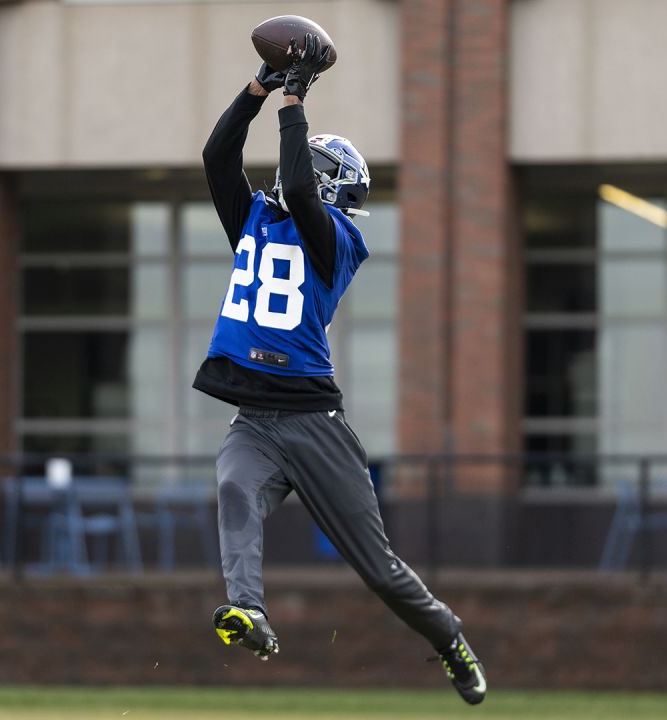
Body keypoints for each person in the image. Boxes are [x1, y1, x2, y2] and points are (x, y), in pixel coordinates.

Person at [194, 33, 488, 706]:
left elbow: (300, 188)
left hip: (311, 422)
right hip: (255, 417)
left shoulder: (338, 241)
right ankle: (251, 614)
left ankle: (448, 638)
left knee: (380, 571)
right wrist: (257, 89)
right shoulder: (257, 223)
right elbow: (217, 160)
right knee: (235, 492)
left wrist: (295, 98)